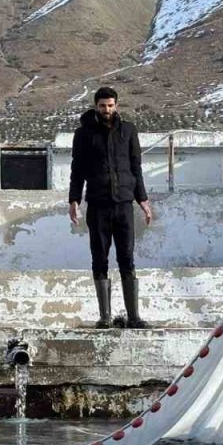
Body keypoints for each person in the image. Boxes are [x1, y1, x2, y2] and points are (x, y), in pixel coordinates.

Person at [68, 87, 154, 329]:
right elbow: (78, 170)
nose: (106, 110)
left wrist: (143, 200)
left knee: (127, 257)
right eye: (102, 105)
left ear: (116, 105)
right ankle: (105, 317)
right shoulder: (84, 134)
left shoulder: (128, 131)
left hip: (124, 204)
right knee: (100, 258)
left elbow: (136, 168)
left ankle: (134, 317)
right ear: (96, 106)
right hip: (97, 205)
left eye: (110, 105)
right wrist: (74, 199)